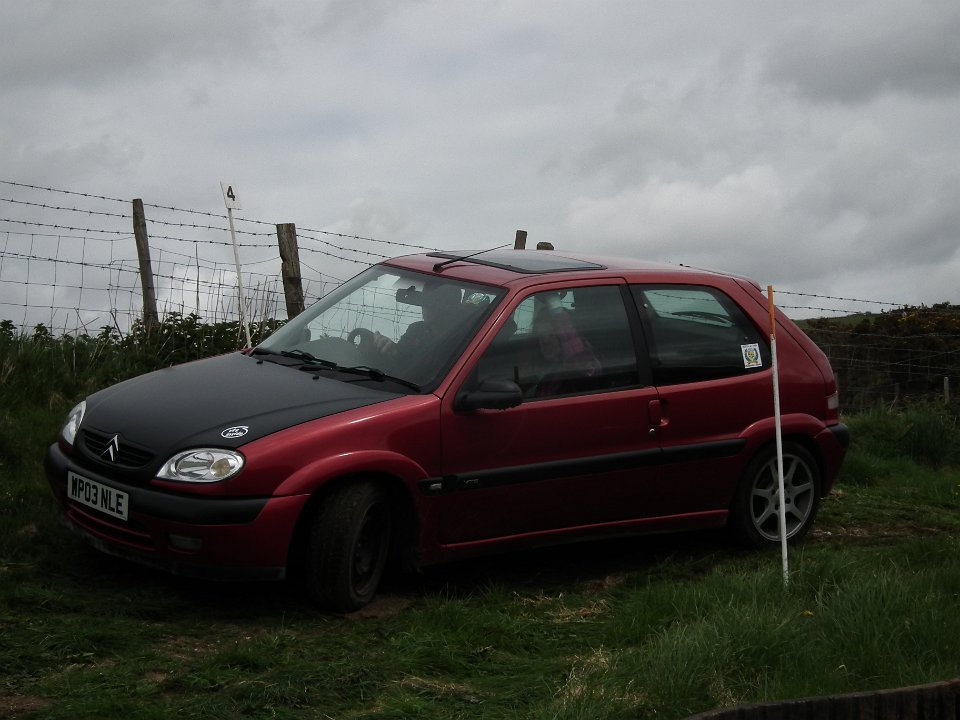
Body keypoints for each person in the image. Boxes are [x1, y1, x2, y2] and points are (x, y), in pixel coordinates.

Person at [531, 294, 601, 396]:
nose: (546, 341)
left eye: (552, 335)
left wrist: (553, 300)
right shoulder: (540, 369)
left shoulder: (579, 365)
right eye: (541, 336)